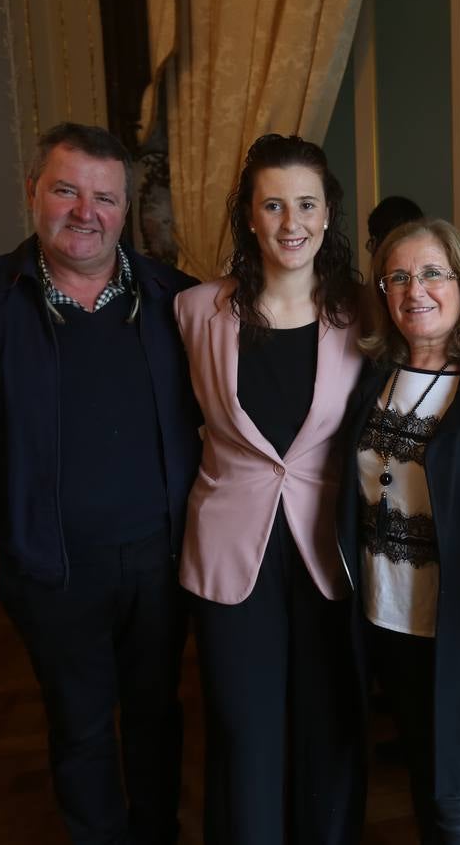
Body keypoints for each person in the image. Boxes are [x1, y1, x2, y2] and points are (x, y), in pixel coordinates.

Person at [0, 122, 201, 844]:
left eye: (105, 197)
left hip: (162, 560)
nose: (85, 212)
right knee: (82, 728)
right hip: (49, 568)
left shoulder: (180, 301)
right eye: (66, 190)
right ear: (33, 193)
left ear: (124, 209)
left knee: (158, 717)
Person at [174, 133, 363, 844]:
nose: (292, 222)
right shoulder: (194, 312)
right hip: (229, 554)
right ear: (249, 216)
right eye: (274, 204)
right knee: (243, 733)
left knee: (329, 730)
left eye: (306, 204)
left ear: (327, 214)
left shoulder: (365, 313)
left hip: (328, 553)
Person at [336, 218, 460, 843]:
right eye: (397, 277)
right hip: (385, 618)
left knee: (455, 792)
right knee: (426, 780)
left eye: (431, 273)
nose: (413, 290)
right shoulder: (372, 380)